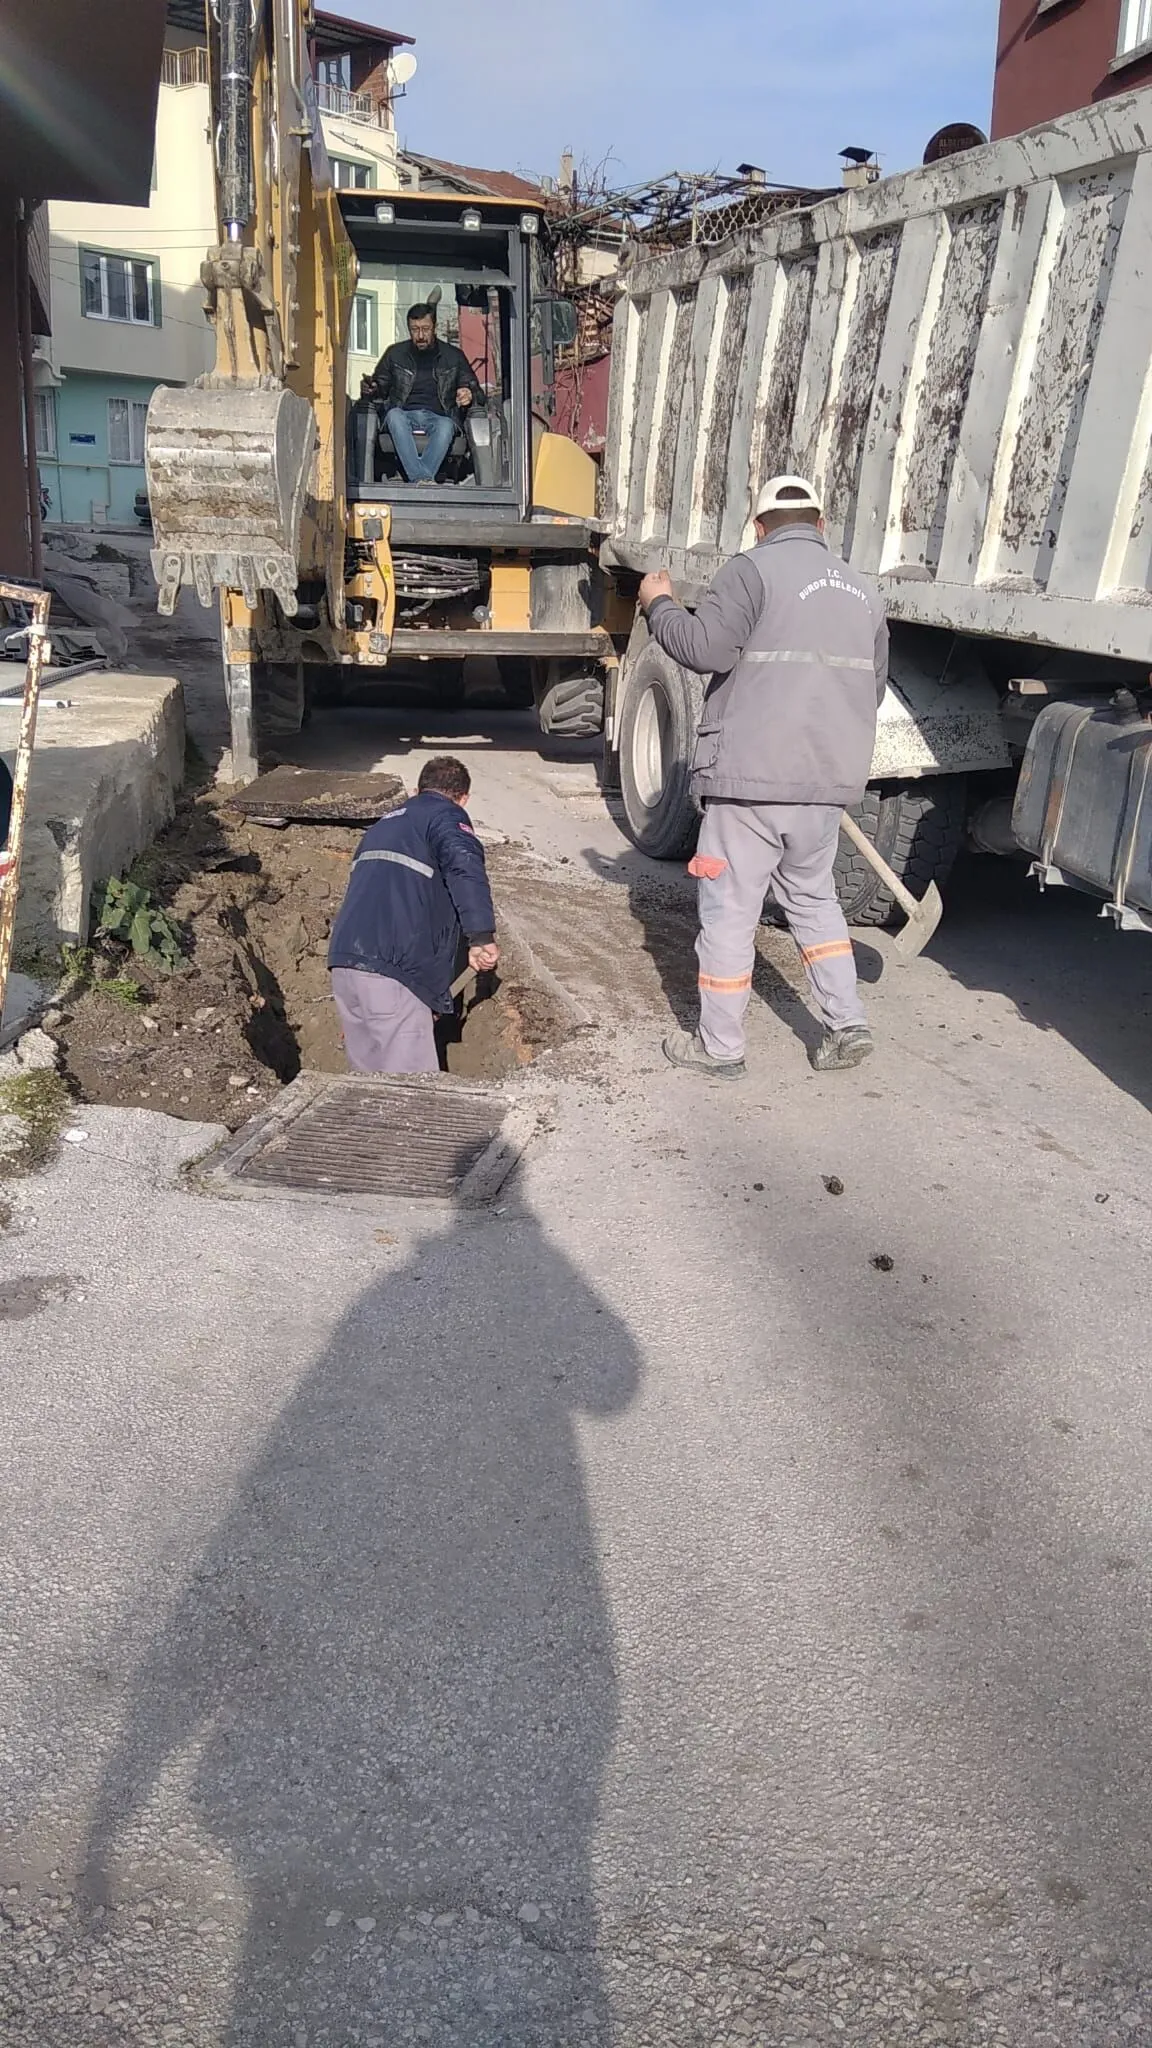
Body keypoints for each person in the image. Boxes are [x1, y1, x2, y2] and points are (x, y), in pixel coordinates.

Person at [637, 474, 888, 1080]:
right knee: (815, 900)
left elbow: (704, 650)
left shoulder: (751, 572)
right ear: (821, 524)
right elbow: (871, 688)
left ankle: (720, 1049)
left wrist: (658, 604)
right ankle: (846, 1022)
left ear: (759, 526)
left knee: (729, 912)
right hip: (825, 784)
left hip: (750, 782)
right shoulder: (864, 591)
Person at [328, 756, 498, 1074]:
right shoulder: (447, 816)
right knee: (411, 1097)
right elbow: (465, 869)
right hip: (393, 971)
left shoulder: (381, 827)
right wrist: (481, 936)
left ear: (416, 790)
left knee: (366, 1088)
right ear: (463, 798)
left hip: (345, 965)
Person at [365, 303, 484, 485]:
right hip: (403, 414)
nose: (420, 336)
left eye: (425, 329)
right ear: (409, 329)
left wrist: (469, 393)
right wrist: (372, 388)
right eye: (415, 330)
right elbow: (380, 385)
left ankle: (417, 480)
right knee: (394, 416)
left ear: (434, 327)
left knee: (446, 425)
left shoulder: (453, 356)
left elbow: (477, 391)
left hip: (440, 416)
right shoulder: (395, 354)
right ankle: (423, 479)